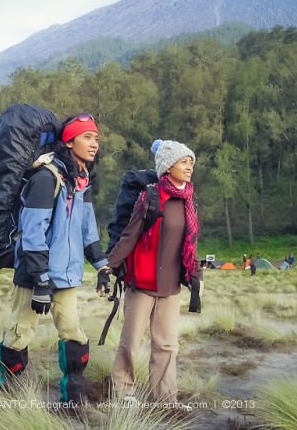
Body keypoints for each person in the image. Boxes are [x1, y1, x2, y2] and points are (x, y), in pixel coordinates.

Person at [0, 113, 111, 404]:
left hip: (67, 276)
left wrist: (102, 267)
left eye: (96, 138)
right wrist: (41, 280)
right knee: (20, 333)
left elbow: (88, 230)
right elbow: (32, 232)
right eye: (87, 137)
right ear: (69, 141)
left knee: (74, 332)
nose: (94, 143)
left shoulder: (81, 181)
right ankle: (9, 399)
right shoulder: (46, 178)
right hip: (35, 276)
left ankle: (74, 402)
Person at [106, 139, 202, 404]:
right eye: (184, 161)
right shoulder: (149, 197)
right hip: (142, 282)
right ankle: (124, 393)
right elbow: (129, 235)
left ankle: (164, 398)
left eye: (191, 162)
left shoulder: (189, 200)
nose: (189, 166)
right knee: (131, 342)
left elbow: (190, 243)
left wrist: (196, 276)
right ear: (168, 166)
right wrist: (108, 266)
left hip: (171, 287)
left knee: (167, 345)